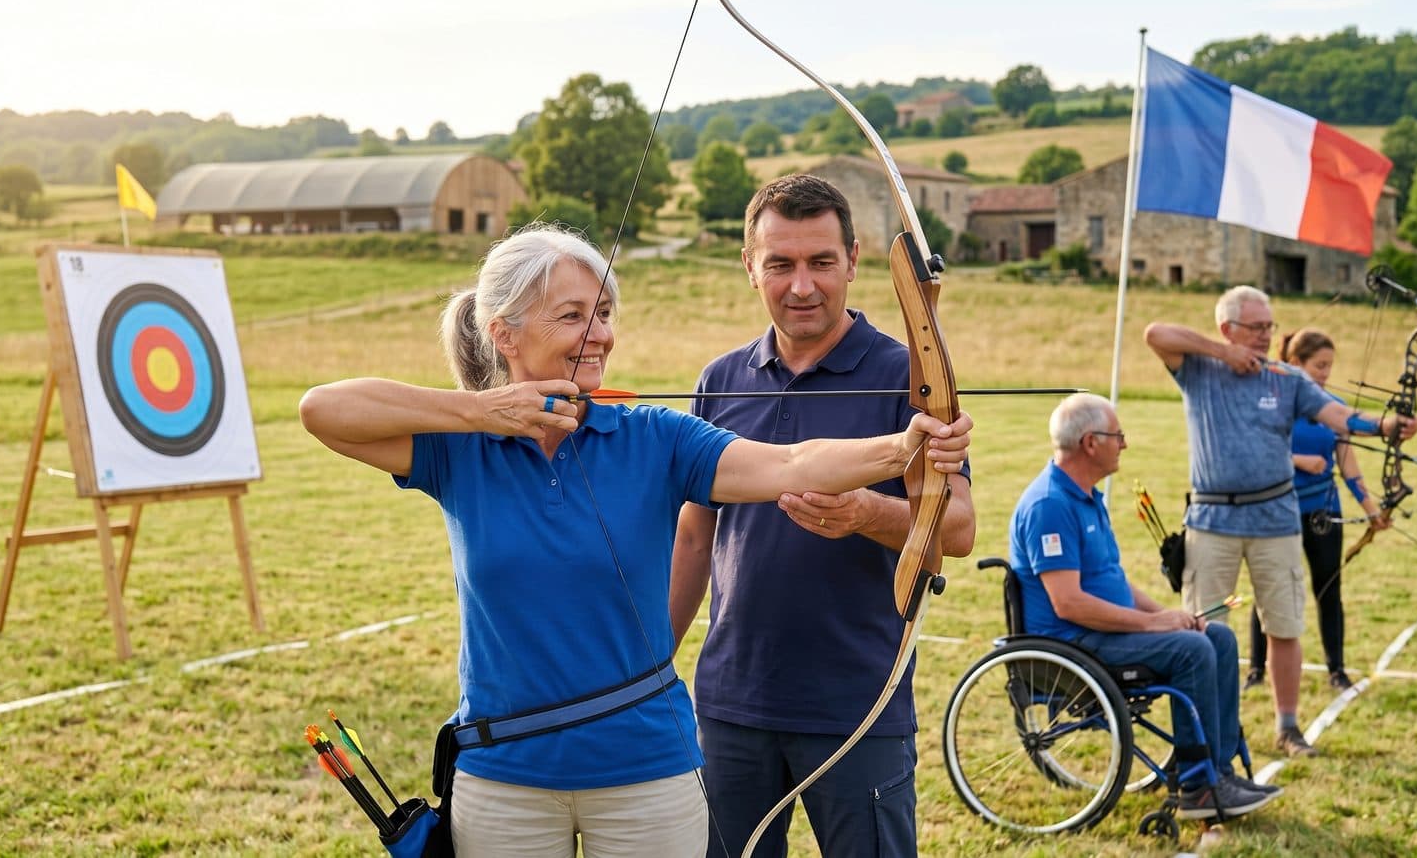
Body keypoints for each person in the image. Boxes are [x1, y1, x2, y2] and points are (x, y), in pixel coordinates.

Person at [298, 223, 972, 858]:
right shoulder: (461, 451)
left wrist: (902, 446)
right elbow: (322, 409)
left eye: (604, 314)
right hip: (503, 772)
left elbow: (789, 464)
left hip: (646, 768)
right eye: (572, 316)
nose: (598, 335)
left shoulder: (655, 436)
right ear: (504, 332)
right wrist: (480, 411)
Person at [668, 174, 976, 858]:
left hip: (858, 703)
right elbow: (695, 533)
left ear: (855, 260)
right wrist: (654, 657)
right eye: (780, 263)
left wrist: (868, 511)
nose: (801, 285)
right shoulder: (721, 378)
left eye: (820, 262)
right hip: (732, 702)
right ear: (750, 266)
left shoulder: (912, 376)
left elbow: (955, 529)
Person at [1144, 286, 1417, 759]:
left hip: (1276, 518)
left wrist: (1386, 426)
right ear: (1228, 328)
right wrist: (1222, 353)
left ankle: (1288, 728)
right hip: (1212, 519)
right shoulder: (1198, 369)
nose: (1267, 335)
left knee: (1284, 625)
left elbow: (1337, 414)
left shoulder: (1285, 377)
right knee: (1201, 629)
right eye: (1257, 328)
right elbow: (1155, 333)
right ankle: (1201, 734)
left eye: (1271, 327)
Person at [1009, 393, 1281, 820]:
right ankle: (1198, 787)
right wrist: (1154, 627)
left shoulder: (1086, 495)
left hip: (1102, 633)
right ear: (1090, 443)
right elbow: (1069, 604)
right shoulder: (1050, 505)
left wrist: (1168, 617)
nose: (1125, 444)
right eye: (1118, 435)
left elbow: (1112, 581)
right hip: (1074, 644)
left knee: (1218, 637)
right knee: (1192, 651)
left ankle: (1219, 771)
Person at [1244, 328, 1387, 694]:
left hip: (1324, 512)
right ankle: (1257, 669)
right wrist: (1297, 461)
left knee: (1329, 589)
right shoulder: (1271, 404)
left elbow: (1347, 462)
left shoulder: (1333, 408)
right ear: (1296, 364)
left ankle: (1337, 670)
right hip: (1279, 511)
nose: (1325, 373)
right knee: (1270, 590)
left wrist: (1372, 509)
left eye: (1329, 366)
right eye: (1319, 365)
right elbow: (1255, 454)